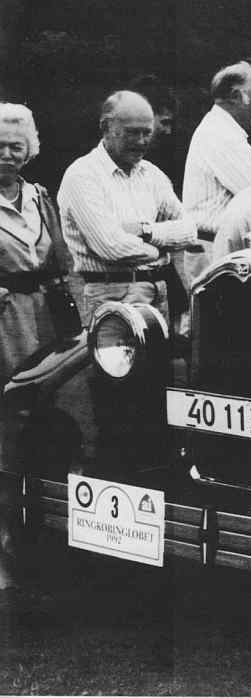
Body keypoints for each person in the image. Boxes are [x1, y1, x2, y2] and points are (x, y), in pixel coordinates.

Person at [0, 103, 76, 601]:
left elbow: (60, 261)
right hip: (3, 322)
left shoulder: (40, 197)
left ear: (30, 150)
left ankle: (37, 544)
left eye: (16, 146)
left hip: (45, 321)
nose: (7, 155)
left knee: (43, 424)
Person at [58, 90, 197, 324]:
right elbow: (111, 247)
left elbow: (190, 230)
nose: (141, 141)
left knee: (160, 350)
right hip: (112, 295)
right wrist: (159, 252)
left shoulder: (152, 175)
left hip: (159, 293)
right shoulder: (82, 176)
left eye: (147, 133)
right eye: (132, 132)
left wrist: (146, 231)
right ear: (106, 127)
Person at [181, 61, 251, 290]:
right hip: (212, 251)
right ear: (235, 96)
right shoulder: (219, 134)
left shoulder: (224, 130)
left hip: (217, 247)